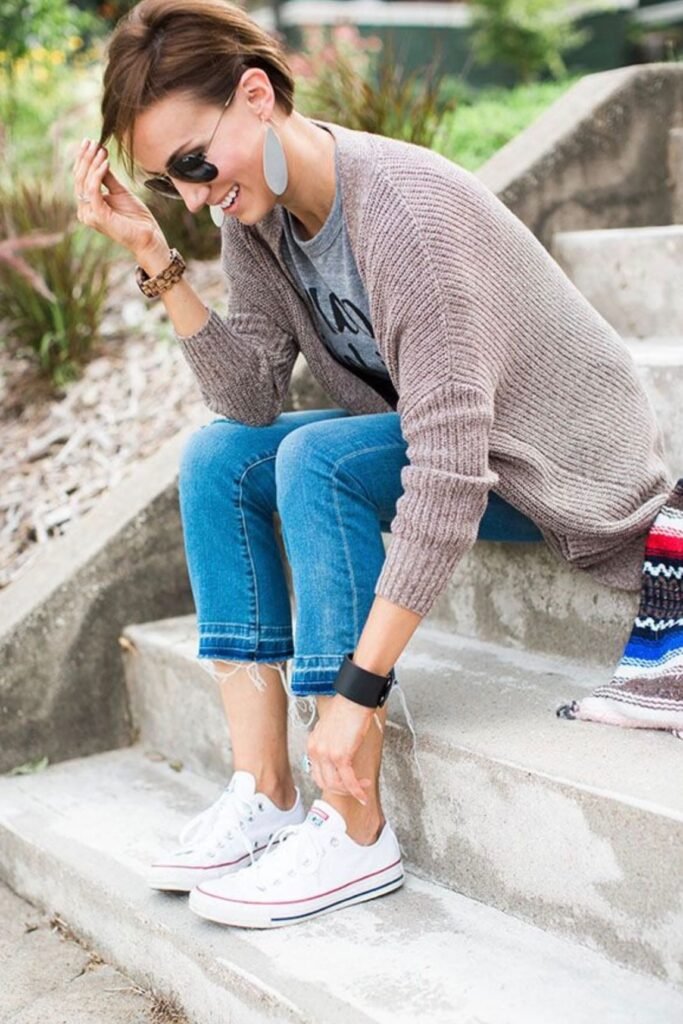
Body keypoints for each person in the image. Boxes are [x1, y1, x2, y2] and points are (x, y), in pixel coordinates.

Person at [73, 0, 679, 931]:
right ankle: (266, 785)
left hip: (560, 457)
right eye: (166, 184)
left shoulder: (405, 216)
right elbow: (248, 401)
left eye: (195, 165)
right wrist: (158, 261)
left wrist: (355, 695)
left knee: (316, 458)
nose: (194, 197)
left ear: (255, 95)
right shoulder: (258, 214)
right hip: (467, 445)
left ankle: (353, 827)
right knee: (218, 457)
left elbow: (443, 474)